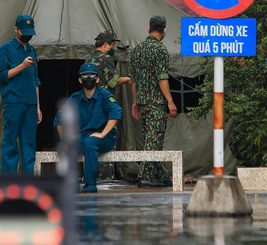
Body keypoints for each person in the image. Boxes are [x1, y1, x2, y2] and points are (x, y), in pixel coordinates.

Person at [54, 63, 122, 193]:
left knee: (89, 143)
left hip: (105, 137)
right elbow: (59, 118)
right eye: (85, 76)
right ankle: (72, 185)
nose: (88, 78)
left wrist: (102, 134)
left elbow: (116, 113)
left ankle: (90, 185)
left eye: (92, 76)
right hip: (83, 136)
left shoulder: (104, 96)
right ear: (80, 80)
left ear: (97, 79)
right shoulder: (75, 98)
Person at [130, 15, 177, 188]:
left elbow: (133, 79)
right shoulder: (160, 50)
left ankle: (159, 176)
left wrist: (135, 101)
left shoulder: (136, 50)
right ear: (164, 30)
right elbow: (162, 78)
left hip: (142, 102)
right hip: (156, 103)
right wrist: (170, 101)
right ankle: (144, 177)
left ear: (148, 29)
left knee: (152, 139)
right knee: (154, 140)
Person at [0, 13, 41, 173]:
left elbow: (36, 80)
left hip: (30, 103)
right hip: (13, 102)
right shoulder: (5, 49)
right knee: (10, 142)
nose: (27, 35)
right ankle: (8, 180)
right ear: (16, 29)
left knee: (29, 143)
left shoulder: (32, 50)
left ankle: (27, 180)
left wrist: (38, 106)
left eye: (30, 31)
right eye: (24, 31)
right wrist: (22, 66)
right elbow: (2, 76)